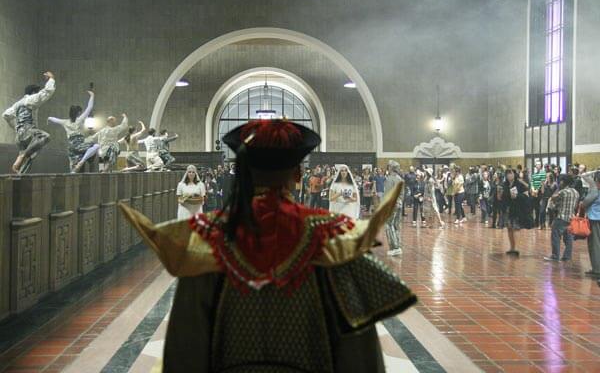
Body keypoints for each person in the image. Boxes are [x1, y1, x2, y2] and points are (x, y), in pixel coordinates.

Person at [119, 119, 415, 373]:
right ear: (298, 176)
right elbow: (359, 350)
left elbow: (185, 351)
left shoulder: (205, 240)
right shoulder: (336, 237)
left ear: (243, 174)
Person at [2, 71, 55, 174]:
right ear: (33, 92)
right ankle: (21, 157)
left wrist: (16, 128)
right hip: (28, 131)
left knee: (30, 157)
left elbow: (5, 115)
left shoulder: (17, 104)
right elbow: (46, 92)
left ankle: (19, 176)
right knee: (44, 137)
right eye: (36, 92)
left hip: (19, 137)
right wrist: (51, 79)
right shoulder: (30, 99)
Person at [47, 89, 99, 173]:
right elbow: (89, 108)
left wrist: (49, 118)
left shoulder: (65, 122)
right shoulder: (79, 120)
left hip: (71, 147)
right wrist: (92, 96)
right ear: (78, 113)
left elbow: (55, 119)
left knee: (73, 170)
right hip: (80, 144)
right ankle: (82, 161)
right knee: (96, 146)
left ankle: (76, 167)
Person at [543, 174, 579, 262]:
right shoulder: (576, 192)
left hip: (561, 217)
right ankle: (567, 257)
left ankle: (555, 256)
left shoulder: (562, 192)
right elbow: (576, 206)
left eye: (560, 181)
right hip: (571, 218)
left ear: (563, 182)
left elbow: (553, 201)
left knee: (555, 236)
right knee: (569, 238)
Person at [502, 169, 532, 256]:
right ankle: (511, 247)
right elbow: (503, 196)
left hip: (517, 209)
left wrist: (517, 196)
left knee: (516, 228)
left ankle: (516, 248)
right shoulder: (505, 185)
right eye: (507, 174)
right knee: (509, 228)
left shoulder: (520, 184)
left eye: (510, 174)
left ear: (514, 174)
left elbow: (526, 196)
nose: (509, 176)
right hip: (508, 209)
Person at [582, 171, 600, 277]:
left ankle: (597, 269)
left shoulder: (595, 191)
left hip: (595, 219)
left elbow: (585, 202)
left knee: (595, 245)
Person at [531, 160, 546, 228]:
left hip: (540, 193)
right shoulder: (534, 174)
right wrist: (533, 189)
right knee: (535, 208)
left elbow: (542, 183)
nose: (538, 165)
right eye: (537, 164)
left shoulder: (543, 173)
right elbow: (532, 182)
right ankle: (536, 222)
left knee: (540, 209)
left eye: (539, 164)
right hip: (534, 192)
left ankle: (541, 223)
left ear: (541, 165)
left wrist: (537, 190)